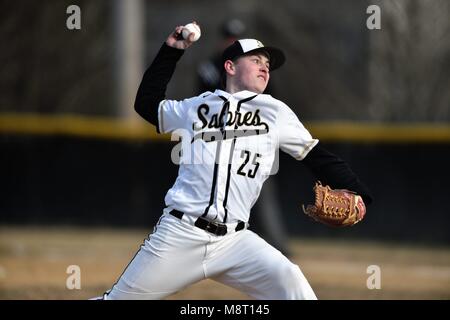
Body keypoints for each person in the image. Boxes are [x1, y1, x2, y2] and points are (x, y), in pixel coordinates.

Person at [103, 23, 373, 300]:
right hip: (181, 233)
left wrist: (360, 192)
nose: (265, 67)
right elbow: (147, 103)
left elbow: (317, 157)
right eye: (255, 60)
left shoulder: (275, 112)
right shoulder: (196, 107)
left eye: (267, 63)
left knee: (291, 282)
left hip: (234, 241)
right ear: (230, 67)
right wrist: (171, 51)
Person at [197, 19, 291, 256]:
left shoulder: (256, 69)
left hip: (252, 142)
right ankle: (205, 245)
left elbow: (273, 106)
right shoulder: (209, 67)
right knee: (211, 196)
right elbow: (201, 104)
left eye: (236, 38)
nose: (232, 41)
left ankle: (277, 247)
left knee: (261, 194)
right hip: (217, 144)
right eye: (229, 38)